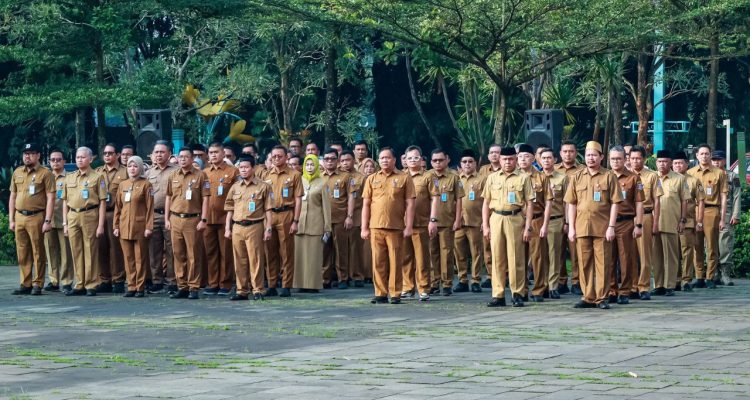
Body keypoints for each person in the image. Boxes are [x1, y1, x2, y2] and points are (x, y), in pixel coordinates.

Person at [565, 141, 623, 309]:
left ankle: (601, 298)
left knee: (603, 263)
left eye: (594, 155)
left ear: (601, 157)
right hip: (582, 226)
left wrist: (611, 227)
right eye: (588, 155)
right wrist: (571, 227)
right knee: (584, 263)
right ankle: (588, 296)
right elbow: (572, 203)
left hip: (602, 227)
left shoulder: (609, 176)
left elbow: (615, 203)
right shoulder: (577, 176)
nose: (591, 158)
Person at [362, 147, 416, 304]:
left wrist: (409, 226)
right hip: (376, 226)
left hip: (396, 227)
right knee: (378, 261)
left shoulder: (404, 178)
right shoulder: (371, 178)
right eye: (382, 158)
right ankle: (380, 293)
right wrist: (364, 227)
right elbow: (366, 204)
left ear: (394, 160)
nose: (384, 160)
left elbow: (410, 204)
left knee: (395, 261)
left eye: (387, 157)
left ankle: (395, 293)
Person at [482, 147, 533, 307]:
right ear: (499, 160)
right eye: (504, 159)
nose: (507, 162)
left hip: (515, 218)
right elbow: (486, 203)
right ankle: (498, 295)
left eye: (511, 159)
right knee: (497, 258)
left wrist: (528, 227)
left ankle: (517, 293)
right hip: (496, 218)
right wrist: (485, 225)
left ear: (515, 159)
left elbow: (530, 204)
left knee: (516, 257)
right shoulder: (492, 178)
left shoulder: (523, 178)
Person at [224, 155, 273, 301]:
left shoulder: (263, 186)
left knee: (255, 259)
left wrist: (268, 228)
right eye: (241, 167)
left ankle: (258, 289)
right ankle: (242, 290)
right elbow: (229, 209)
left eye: (246, 167)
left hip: (255, 226)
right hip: (237, 226)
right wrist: (227, 228)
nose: (243, 170)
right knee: (239, 260)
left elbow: (268, 210)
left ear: (253, 168)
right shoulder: (235, 187)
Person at [9, 142, 55, 295]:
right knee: (22, 252)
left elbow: (51, 198)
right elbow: (12, 196)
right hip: (20, 216)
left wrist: (47, 220)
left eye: (31, 153)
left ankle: (38, 283)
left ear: (38, 155)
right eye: (25, 154)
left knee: (38, 252)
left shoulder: (45, 173)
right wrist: (11, 219)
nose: (27, 156)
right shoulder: (17, 172)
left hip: (37, 216)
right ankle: (25, 283)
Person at [165, 147, 210, 300]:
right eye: (180, 157)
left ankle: (193, 287)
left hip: (193, 219)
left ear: (192, 159)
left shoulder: (201, 175)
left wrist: (203, 219)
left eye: (186, 157)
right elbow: (168, 197)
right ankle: (182, 286)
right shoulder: (173, 175)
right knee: (178, 254)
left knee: (193, 255)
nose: (182, 159)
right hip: (175, 218)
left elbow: (206, 199)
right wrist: (167, 219)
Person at [62, 147, 107, 296]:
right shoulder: (69, 177)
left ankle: (91, 284)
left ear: (90, 159)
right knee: (76, 250)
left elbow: (102, 202)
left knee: (90, 250)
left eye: (83, 157)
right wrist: (65, 223)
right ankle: (79, 283)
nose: (80, 160)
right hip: (72, 215)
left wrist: (100, 225)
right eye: (77, 157)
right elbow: (64, 201)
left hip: (89, 215)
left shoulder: (98, 177)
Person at [264, 145, 303, 297]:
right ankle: (272, 284)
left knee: (286, 251)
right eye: (274, 156)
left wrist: (296, 221)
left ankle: (286, 285)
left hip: (286, 213)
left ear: (287, 157)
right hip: (269, 215)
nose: (276, 159)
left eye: (280, 156)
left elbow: (298, 200)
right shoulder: (266, 175)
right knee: (270, 251)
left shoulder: (294, 175)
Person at [687, 144, 728, 289]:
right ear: (697, 156)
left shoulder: (719, 173)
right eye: (701, 154)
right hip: (695, 210)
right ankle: (699, 276)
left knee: (712, 246)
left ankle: (710, 277)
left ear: (710, 155)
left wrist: (723, 218)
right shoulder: (690, 173)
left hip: (712, 210)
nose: (704, 156)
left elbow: (724, 196)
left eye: (706, 153)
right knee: (696, 245)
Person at [607, 146, 644, 305]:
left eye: (619, 158)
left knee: (626, 258)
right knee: (608, 258)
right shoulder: (605, 176)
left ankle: (625, 291)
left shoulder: (634, 178)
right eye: (613, 159)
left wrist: (639, 224)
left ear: (625, 159)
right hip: (607, 223)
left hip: (626, 222)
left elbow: (639, 203)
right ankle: (611, 290)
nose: (616, 161)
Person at [113, 156, 154, 297]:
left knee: (140, 258)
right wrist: (116, 226)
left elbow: (150, 208)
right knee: (128, 258)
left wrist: (149, 227)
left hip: (140, 227)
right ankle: (131, 286)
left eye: (135, 166)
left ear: (140, 168)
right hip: (124, 226)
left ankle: (140, 287)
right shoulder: (122, 185)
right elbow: (118, 207)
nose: (132, 169)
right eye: (130, 166)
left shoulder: (146, 185)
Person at [202, 142, 239, 296]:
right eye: (211, 152)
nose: (213, 155)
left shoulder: (233, 171)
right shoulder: (204, 172)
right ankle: (213, 283)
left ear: (223, 153)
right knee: (210, 252)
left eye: (216, 152)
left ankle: (225, 283)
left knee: (226, 252)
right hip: (208, 219)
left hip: (225, 218)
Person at [517, 143, 552, 302]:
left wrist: (545, 224)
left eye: (526, 157)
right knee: (519, 256)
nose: (523, 159)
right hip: (518, 220)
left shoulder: (541, 177)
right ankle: (521, 289)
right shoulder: (514, 177)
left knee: (538, 256)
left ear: (533, 159)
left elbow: (548, 202)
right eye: (520, 157)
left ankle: (539, 289)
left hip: (537, 220)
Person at [427, 148, 464, 296]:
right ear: (431, 162)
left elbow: (459, 199)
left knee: (447, 253)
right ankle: (434, 282)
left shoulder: (454, 177)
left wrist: (458, 219)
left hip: (447, 221)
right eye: (435, 160)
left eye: (440, 160)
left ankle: (447, 283)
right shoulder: (427, 176)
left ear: (447, 160)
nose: (438, 163)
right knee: (432, 253)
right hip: (430, 222)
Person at [651, 150, 688, 297]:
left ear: (671, 163)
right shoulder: (652, 177)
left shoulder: (679, 179)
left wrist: (683, 220)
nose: (662, 164)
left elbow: (685, 201)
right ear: (656, 163)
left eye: (665, 161)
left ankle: (670, 285)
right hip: (653, 223)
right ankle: (658, 285)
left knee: (671, 256)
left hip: (671, 221)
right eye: (660, 161)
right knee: (656, 256)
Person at [294, 154, 331, 292]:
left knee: (314, 256)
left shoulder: (322, 183)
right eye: (307, 164)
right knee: (299, 256)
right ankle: (300, 284)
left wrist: (327, 227)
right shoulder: (299, 180)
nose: (310, 167)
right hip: (299, 224)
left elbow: (326, 207)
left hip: (315, 223)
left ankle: (313, 285)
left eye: (312, 165)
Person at [629, 145, 662, 300]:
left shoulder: (652, 176)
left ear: (644, 159)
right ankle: (632, 286)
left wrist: (656, 222)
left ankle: (643, 287)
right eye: (632, 158)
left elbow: (657, 201)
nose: (635, 161)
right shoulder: (624, 175)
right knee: (630, 254)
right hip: (628, 218)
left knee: (645, 254)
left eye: (638, 158)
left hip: (646, 216)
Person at [401, 146, 433, 301]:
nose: (413, 160)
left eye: (416, 157)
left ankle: (424, 288)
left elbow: (434, 199)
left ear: (421, 159)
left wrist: (433, 220)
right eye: (410, 158)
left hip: (421, 223)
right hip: (402, 224)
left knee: (422, 258)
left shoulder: (428, 176)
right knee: (405, 257)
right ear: (405, 160)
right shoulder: (401, 177)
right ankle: (407, 287)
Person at [145, 140, 178, 293]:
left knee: (172, 250)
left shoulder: (176, 171)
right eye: (156, 152)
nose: (159, 155)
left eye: (162, 152)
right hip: (153, 215)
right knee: (154, 250)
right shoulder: (149, 173)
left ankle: (172, 281)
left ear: (169, 154)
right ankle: (156, 280)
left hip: (171, 216)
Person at [95, 143, 128, 293]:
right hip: (100, 213)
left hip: (116, 213)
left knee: (116, 249)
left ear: (118, 155)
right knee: (101, 247)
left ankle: (119, 279)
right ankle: (104, 279)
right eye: (105, 154)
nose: (107, 156)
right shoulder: (97, 172)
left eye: (110, 153)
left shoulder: (125, 171)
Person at [453, 149, 487, 294]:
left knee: (476, 253)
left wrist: (485, 221)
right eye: (464, 162)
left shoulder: (482, 179)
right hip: (458, 222)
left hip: (476, 221)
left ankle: (475, 280)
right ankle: (462, 280)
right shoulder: (456, 179)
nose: (467, 164)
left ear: (475, 163)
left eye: (470, 161)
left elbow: (487, 201)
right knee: (459, 253)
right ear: (460, 164)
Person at [321, 148, 355, 289]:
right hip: (323, 220)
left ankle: (343, 278)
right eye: (327, 159)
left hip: (340, 218)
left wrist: (349, 216)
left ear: (337, 160)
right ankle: (325, 279)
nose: (329, 161)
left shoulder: (346, 176)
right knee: (324, 249)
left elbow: (351, 197)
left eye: (332, 159)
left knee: (341, 249)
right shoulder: (319, 177)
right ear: (323, 161)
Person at [555, 140, 584, 295]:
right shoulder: (553, 170)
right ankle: (561, 281)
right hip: (556, 217)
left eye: (571, 151)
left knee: (575, 252)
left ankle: (577, 281)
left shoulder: (583, 171)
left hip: (576, 217)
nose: (568, 154)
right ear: (560, 153)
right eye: (565, 151)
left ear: (576, 153)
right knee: (558, 251)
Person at [672, 151, 703, 291]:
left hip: (688, 221)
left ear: (686, 164)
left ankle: (686, 279)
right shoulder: (668, 179)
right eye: (675, 163)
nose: (677, 166)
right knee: (674, 251)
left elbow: (701, 201)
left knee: (687, 251)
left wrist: (699, 221)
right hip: (671, 221)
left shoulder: (693, 181)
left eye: (680, 163)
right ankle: (675, 279)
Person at [44, 149, 74, 293]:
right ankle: (53, 280)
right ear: (49, 162)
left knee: (66, 252)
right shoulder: (45, 177)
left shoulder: (70, 177)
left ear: (64, 161)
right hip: (48, 220)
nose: (55, 162)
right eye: (52, 160)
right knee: (51, 251)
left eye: (58, 159)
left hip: (64, 220)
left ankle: (67, 281)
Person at [540, 148, 567, 299]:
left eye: (549, 158)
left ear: (555, 160)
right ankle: (542, 285)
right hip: (538, 221)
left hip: (555, 220)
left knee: (554, 254)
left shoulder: (562, 178)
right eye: (543, 158)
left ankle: (553, 286)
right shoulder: (534, 178)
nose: (546, 160)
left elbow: (567, 202)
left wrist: (566, 221)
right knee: (540, 255)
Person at [712, 150, 740, 286]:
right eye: (714, 160)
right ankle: (714, 273)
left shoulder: (732, 176)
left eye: (719, 160)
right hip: (710, 212)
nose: (716, 162)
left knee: (725, 244)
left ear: (724, 161)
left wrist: (736, 215)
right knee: (711, 244)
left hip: (727, 213)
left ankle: (725, 274)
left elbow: (737, 196)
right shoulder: (707, 175)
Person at [339, 150, 367, 287]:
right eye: (343, 160)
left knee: (356, 248)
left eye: (348, 160)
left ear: (354, 161)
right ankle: (342, 277)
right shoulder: (337, 176)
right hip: (339, 215)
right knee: (341, 248)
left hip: (356, 215)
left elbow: (366, 198)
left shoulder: (361, 178)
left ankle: (357, 276)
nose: (345, 163)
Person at [478, 144, 502, 289]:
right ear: (488, 155)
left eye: (497, 152)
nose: (494, 155)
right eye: (491, 152)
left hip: (502, 212)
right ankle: (490, 275)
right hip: (487, 213)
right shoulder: (483, 170)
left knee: (503, 246)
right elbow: (482, 197)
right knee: (487, 246)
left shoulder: (508, 169)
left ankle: (505, 274)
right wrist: (484, 220)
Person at [360, 158, 377, 282]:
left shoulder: (377, 180)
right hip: (360, 215)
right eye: (366, 167)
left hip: (375, 215)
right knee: (363, 248)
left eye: (371, 166)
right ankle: (364, 273)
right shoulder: (359, 180)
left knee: (372, 248)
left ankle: (372, 274)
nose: (369, 169)